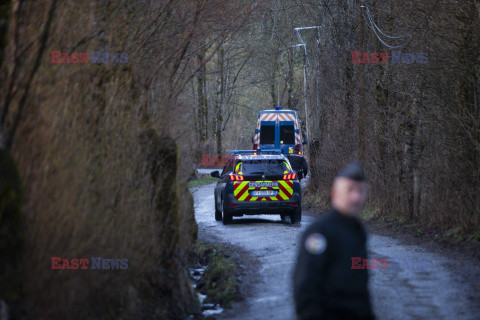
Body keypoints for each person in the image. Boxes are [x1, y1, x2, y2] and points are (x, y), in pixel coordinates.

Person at [292, 161, 375, 320]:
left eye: (361, 191)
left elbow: (360, 289)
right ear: (335, 193)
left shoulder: (359, 231)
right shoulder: (320, 233)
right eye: (350, 190)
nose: (356, 197)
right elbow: (305, 289)